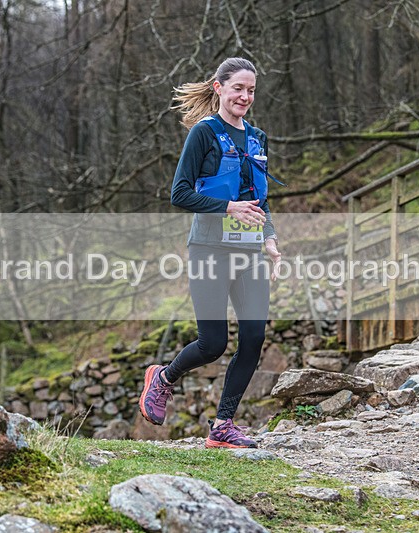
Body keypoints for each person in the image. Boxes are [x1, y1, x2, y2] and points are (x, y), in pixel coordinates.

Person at [138, 57, 282, 449]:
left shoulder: (258, 138)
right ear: (219, 88)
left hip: (249, 252)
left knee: (253, 336)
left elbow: (260, 199)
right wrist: (228, 208)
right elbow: (180, 193)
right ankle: (163, 378)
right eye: (238, 88)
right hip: (208, 249)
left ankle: (222, 426)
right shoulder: (203, 134)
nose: (245, 97)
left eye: (251, 90)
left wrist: (270, 239)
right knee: (212, 343)